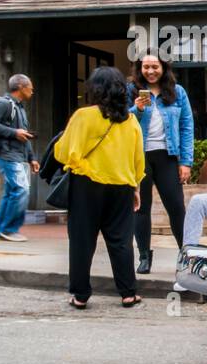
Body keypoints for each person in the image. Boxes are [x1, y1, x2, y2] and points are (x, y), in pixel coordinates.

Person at [58, 66, 146, 309]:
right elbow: (139, 160)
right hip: (122, 187)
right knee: (121, 241)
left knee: (82, 241)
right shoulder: (131, 121)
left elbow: (65, 152)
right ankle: (128, 293)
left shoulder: (83, 116)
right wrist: (136, 187)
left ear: (94, 90)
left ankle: (80, 295)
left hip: (87, 184)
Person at [128, 54, 194, 274]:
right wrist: (135, 109)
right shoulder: (131, 90)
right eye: (145, 67)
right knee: (141, 209)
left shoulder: (178, 92)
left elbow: (186, 127)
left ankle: (186, 255)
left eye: (154, 66)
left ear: (163, 68)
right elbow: (121, 122)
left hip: (167, 156)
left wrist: (185, 162)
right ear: (140, 69)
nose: (150, 71)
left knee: (176, 207)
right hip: (140, 156)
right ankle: (144, 255)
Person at [0, 75, 40, 242]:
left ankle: (1, 230)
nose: (32, 90)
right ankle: (9, 229)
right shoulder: (4, 103)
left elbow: (24, 136)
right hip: (6, 154)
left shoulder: (19, 108)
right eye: (30, 86)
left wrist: (32, 158)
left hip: (16, 155)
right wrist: (14, 132)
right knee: (21, 190)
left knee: (12, 192)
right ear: (21, 86)